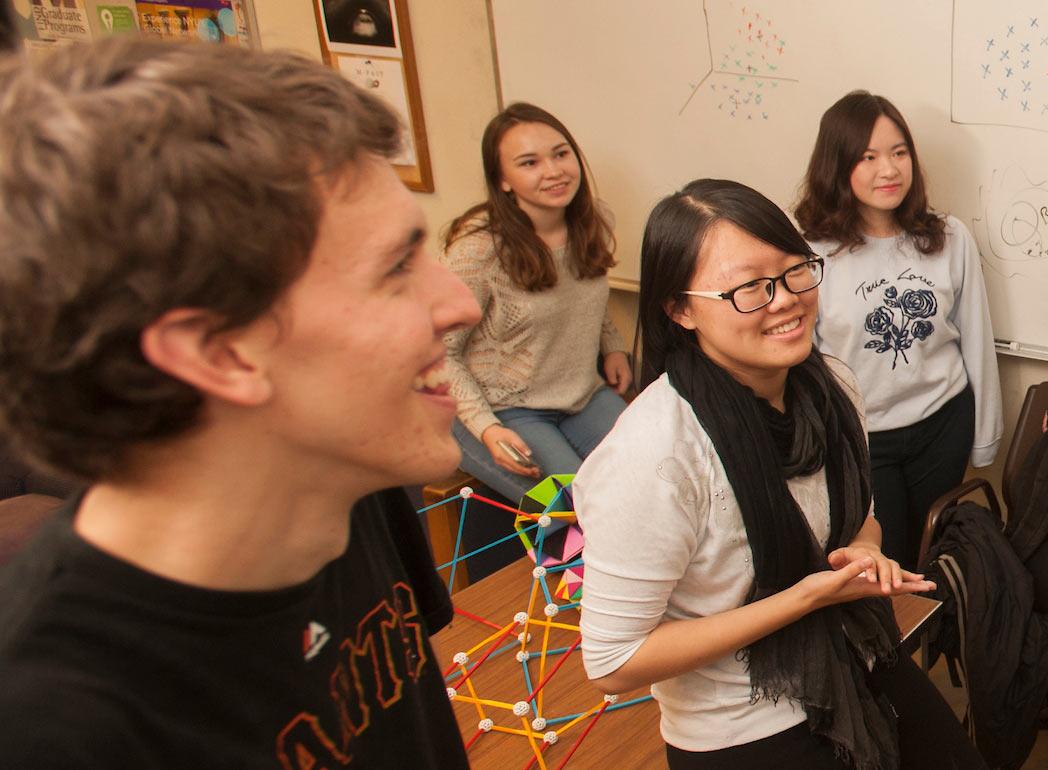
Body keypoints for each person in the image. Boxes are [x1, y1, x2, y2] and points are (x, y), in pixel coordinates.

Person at [0, 38, 476, 765]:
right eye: (397, 267)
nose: (461, 302)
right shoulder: (54, 723)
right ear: (218, 353)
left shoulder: (345, 479)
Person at [573, 179, 983, 769]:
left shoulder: (832, 387)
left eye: (795, 272)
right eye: (748, 288)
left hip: (857, 658)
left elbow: (858, 519)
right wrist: (806, 598)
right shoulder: (655, 454)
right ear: (680, 309)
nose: (785, 299)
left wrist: (865, 552)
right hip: (741, 725)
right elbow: (613, 661)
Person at [793, 91, 1001, 565]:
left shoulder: (947, 237)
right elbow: (804, 364)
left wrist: (985, 437)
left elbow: (976, 340)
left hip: (941, 424)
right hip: (864, 440)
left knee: (939, 554)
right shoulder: (810, 252)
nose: (888, 170)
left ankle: (942, 639)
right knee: (889, 564)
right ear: (837, 164)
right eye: (868, 157)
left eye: (898, 152)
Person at [441, 103, 630, 503]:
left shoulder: (592, 221)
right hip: (500, 409)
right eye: (529, 163)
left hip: (582, 396)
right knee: (578, 508)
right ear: (503, 181)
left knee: (652, 478)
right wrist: (486, 427)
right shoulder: (477, 250)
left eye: (561, 154)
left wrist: (612, 345)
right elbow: (437, 353)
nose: (554, 171)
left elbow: (586, 296)